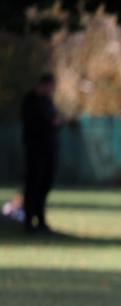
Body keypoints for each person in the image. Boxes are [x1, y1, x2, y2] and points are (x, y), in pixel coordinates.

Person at [21, 73, 60, 234]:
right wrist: (50, 123)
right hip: (35, 150)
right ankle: (28, 221)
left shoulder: (47, 101)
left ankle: (41, 220)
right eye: (51, 86)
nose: (52, 89)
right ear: (45, 84)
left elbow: (54, 121)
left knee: (44, 185)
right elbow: (34, 123)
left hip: (49, 150)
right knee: (33, 185)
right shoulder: (31, 100)